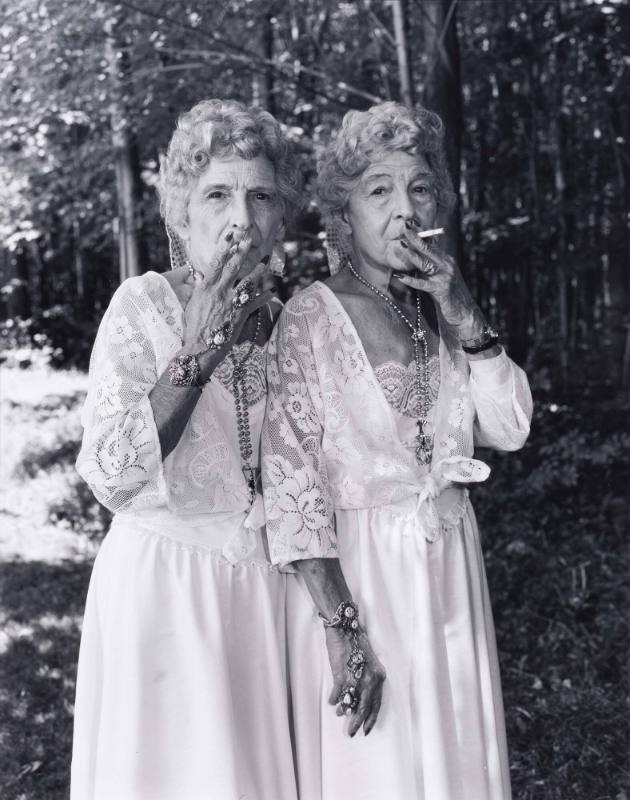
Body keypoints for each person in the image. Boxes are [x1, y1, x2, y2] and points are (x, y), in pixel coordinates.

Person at [262, 101, 533, 800]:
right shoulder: (310, 317)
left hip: (449, 572)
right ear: (343, 213)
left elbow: (510, 426)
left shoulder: (440, 312)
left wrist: (462, 308)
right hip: (364, 580)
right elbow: (292, 490)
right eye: (379, 190)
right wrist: (345, 629)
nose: (404, 209)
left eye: (419, 188)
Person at [71, 99, 301, 800]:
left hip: (259, 601)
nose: (241, 219)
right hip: (163, 593)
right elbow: (110, 476)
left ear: (280, 220)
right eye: (217, 195)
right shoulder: (140, 306)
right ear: (181, 213)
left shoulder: (286, 324)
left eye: (261, 196)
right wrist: (198, 349)